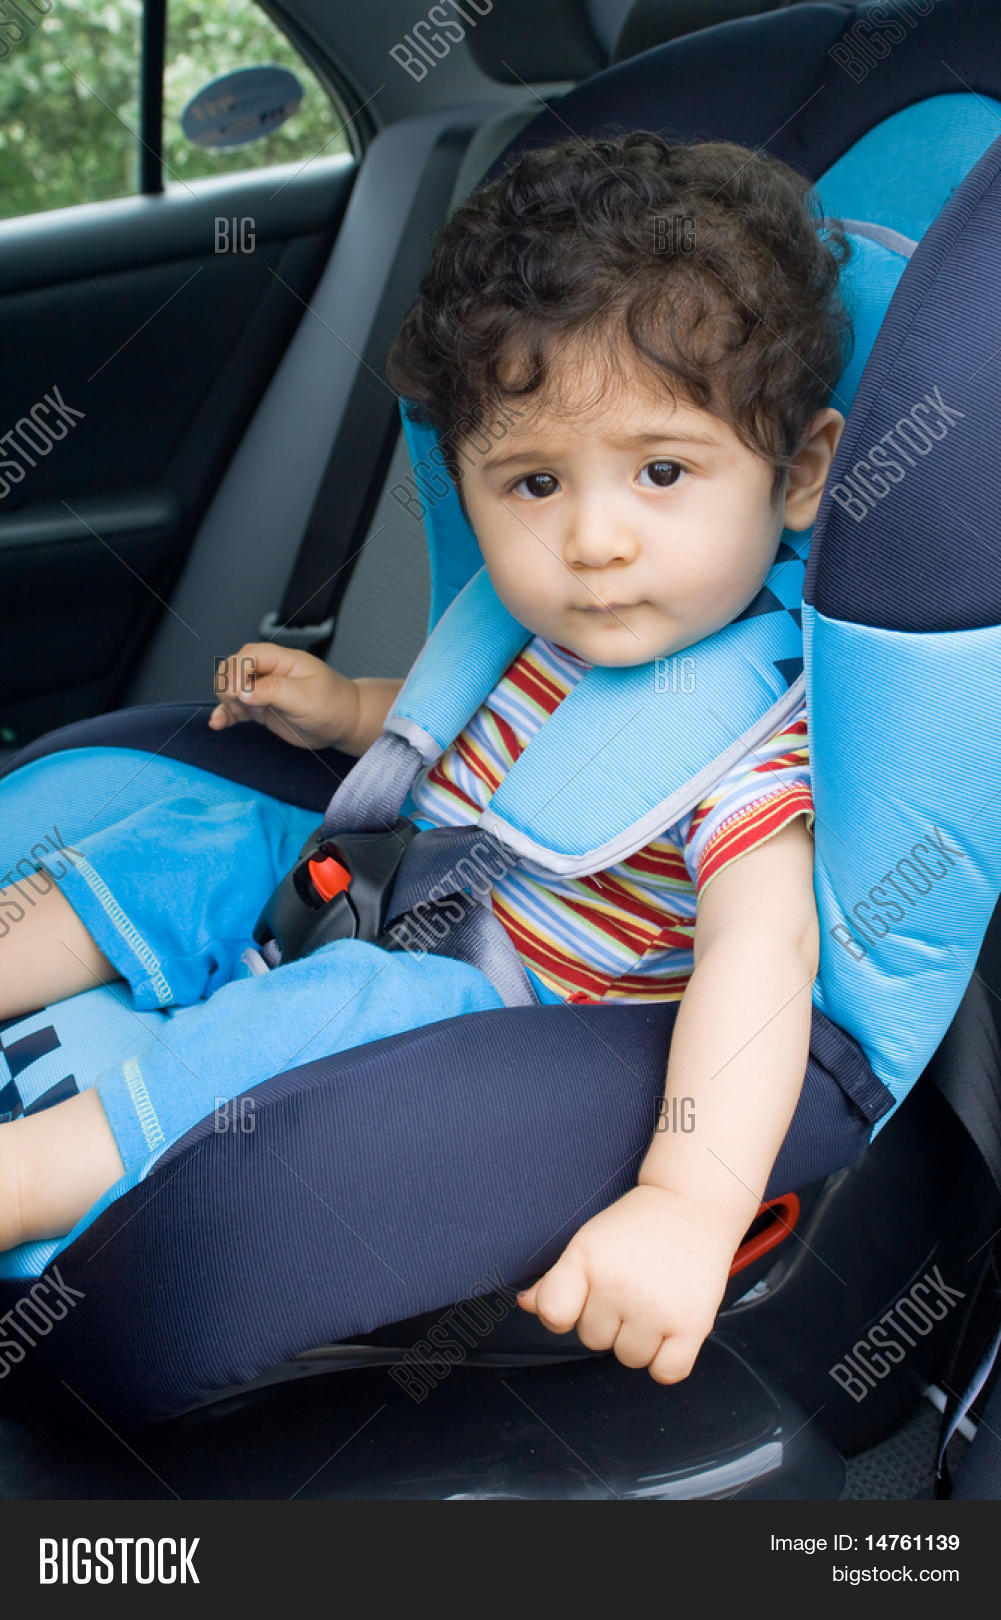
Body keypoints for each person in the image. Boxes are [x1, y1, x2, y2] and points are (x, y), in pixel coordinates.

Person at [0, 131, 849, 1384]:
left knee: (359, 1004)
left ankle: (35, 1177)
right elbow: (488, 741)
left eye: (662, 470)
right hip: (396, 886)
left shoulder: (746, 753)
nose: (594, 538)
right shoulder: (552, 632)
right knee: (215, 834)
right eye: (531, 482)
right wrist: (349, 712)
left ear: (800, 474)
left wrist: (685, 1199)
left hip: (500, 1016)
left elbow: (757, 965)